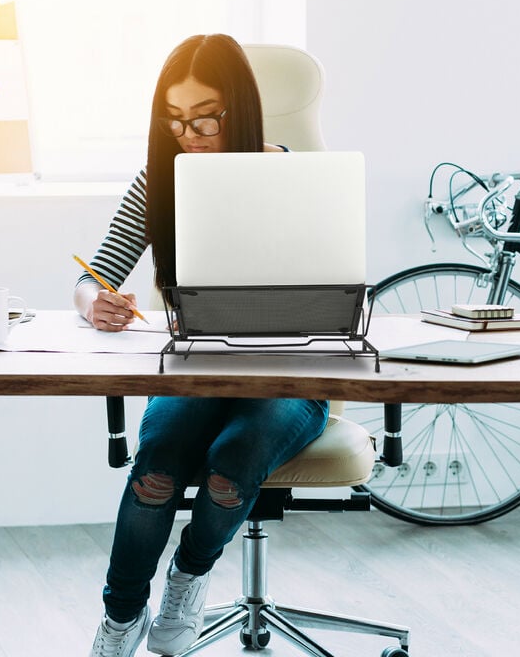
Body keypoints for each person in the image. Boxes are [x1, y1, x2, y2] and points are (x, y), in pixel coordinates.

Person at [76, 34, 330, 657]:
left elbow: (337, 283)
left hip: (290, 375)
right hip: (196, 367)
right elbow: (93, 277)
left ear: (239, 106)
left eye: (206, 116)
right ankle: (121, 618)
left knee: (232, 461)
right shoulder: (156, 181)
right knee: (156, 470)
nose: (190, 132)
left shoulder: (292, 176)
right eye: (176, 119)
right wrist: (94, 302)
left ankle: (188, 577)